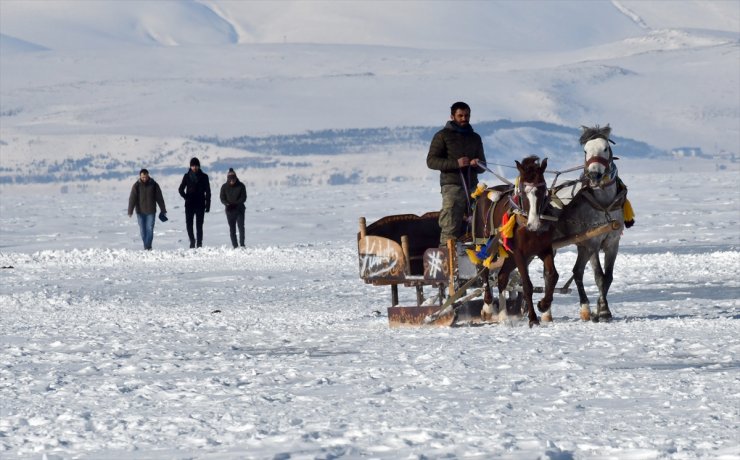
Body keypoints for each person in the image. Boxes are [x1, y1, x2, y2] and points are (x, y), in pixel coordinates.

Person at [426, 101, 487, 246]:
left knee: (480, 224)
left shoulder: (475, 138)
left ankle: (478, 262)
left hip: (473, 187)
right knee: (450, 224)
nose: (464, 119)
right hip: (452, 187)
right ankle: (447, 260)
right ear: (452, 116)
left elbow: (483, 166)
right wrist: (456, 164)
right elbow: (431, 161)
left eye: (467, 115)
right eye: (460, 116)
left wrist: (477, 164)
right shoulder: (442, 136)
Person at [127, 168, 167, 250]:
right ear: (140, 176)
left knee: (149, 229)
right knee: (142, 230)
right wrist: (130, 211)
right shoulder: (136, 186)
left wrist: (163, 210)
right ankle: (147, 245)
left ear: (148, 175)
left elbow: (160, 198)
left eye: (145, 177)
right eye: (142, 177)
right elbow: (132, 199)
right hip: (140, 212)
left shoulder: (154, 185)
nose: (144, 179)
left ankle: (148, 246)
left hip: (151, 211)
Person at [178, 157, 211, 248]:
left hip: (200, 203)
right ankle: (192, 240)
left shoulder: (204, 177)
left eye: (196, 166)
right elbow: (180, 189)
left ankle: (199, 243)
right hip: (189, 204)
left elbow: (208, 191)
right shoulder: (187, 176)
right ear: (190, 166)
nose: (194, 167)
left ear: (199, 166)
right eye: (192, 166)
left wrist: (208, 204)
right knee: (189, 224)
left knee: (199, 225)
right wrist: (186, 197)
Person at [219, 168, 248, 248]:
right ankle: (235, 246)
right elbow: (222, 198)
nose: (232, 181)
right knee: (232, 229)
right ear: (228, 179)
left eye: (233, 179)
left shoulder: (241, 186)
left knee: (241, 227)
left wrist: (235, 204)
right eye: (230, 179)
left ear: (236, 178)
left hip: (240, 210)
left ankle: (242, 245)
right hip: (229, 211)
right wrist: (227, 204)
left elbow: (244, 198)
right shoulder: (224, 187)